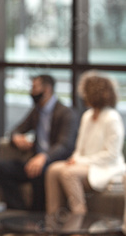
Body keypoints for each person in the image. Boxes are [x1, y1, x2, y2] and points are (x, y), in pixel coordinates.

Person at [0, 74, 78, 211]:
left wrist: (44, 157)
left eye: (34, 87)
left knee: (39, 172)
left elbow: (64, 145)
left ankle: (36, 217)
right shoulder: (37, 111)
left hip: (53, 161)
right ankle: (18, 211)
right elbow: (17, 129)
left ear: (47, 89)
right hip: (33, 161)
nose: (31, 92)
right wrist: (16, 137)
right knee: (0, 167)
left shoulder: (66, 113)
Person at [46, 71, 125, 215]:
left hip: (106, 167)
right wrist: (75, 158)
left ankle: (79, 216)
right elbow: (79, 147)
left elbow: (111, 155)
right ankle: (54, 219)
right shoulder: (87, 116)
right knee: (53, 170)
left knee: (68, 173)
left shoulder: (112, 118)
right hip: (83, 164)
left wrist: (79, 161)